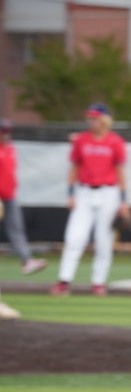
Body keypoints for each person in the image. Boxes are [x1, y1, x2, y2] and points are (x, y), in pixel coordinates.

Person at [51, 103, 130, 296]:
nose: (91, 121)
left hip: (108, 193)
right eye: (90, 118)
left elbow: (120, 171)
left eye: (95, 118)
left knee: (104, 240)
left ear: (105, 119)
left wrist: (124, 200)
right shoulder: (81, 140)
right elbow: (74, 167)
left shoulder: (115, 142)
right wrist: (70, 193)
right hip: (84, 192)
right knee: (74, 237)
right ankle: (64, 281)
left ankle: (98, 283)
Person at [0, 118, 47, 275]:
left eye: (7, 131)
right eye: (2, 131)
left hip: (9, 195)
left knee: (16, 228)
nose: (5, 134)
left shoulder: (10, 148)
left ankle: (26, 261)